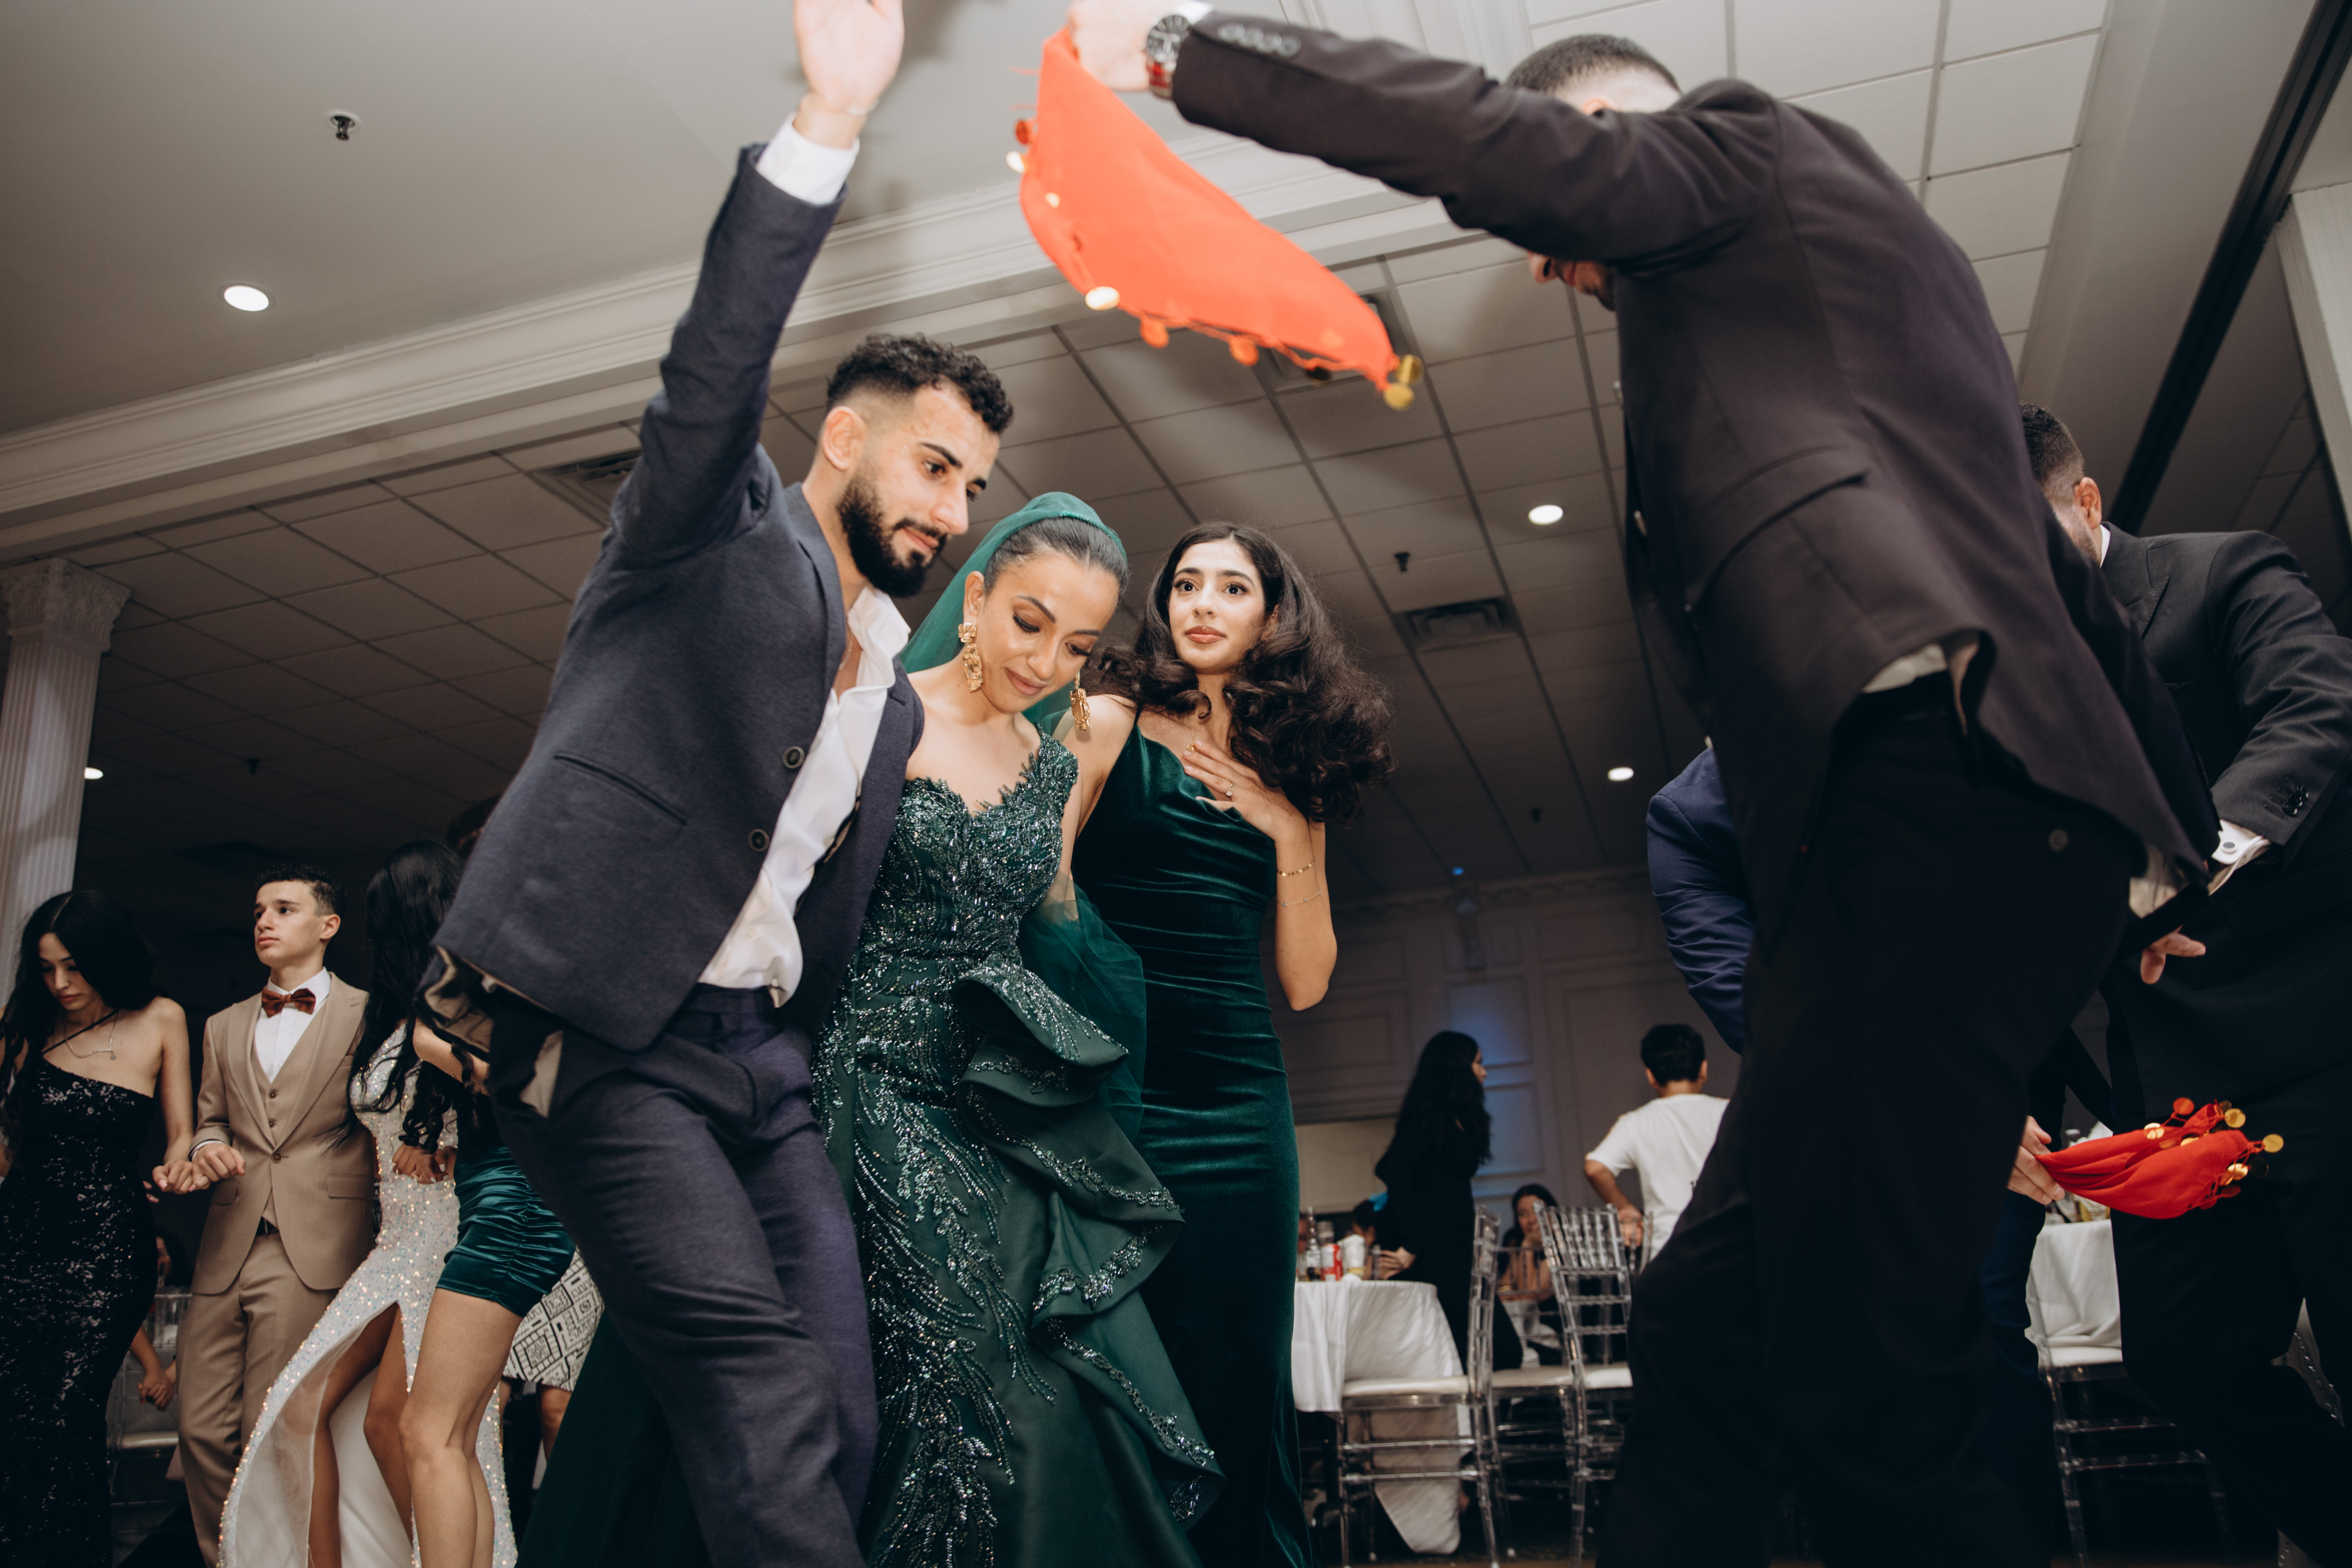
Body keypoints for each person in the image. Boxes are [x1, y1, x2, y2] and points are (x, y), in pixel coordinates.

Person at [1063, 14, 2228, 1556]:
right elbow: (2054, 587)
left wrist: (1188, 51)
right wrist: (2163, 854)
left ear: (1610, 129)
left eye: (1556, 233)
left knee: (1867, 1369)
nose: (1556, 268)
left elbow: (1503, 146)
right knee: (1707, 1324)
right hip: (1918, 842)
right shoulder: (1838, 305)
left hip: (1929, 803)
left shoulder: (1744, 147)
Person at [422, 2, 1007, 1561]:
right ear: (846, 438)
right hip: (607, 1039)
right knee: (756, 1395)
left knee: (841, 1414)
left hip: (762, 1064)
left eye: (973, 487)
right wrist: (828, 124)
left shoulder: (891, 689)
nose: (954, 511)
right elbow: (714, 359)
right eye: (935, 467)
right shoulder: (706, 531)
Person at [2025, 403, 2352, 1562]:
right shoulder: (2002, 686)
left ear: (2086, 503)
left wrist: (2186, 866)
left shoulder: (2223, 577)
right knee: (2184, 1358)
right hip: (2181, 1080)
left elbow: (2317, 710)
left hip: (2325, 1038)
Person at [1071, 520, 1391, 1566]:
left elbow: (1306, 979)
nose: (1203, 603)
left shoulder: (1294, 768)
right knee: (1127, 1360)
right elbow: (1038, 885)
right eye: (1186, 584)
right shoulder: (1110, 715)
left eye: (1232, 587)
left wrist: (1288, 828)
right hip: (1116, 1086)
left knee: (1243, 1368)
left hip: (1241, 1105)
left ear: (1273, 615)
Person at [217, 841, 522, 1568]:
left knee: (402, 1426)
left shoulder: (463, 1006)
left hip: (450, 1235)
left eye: (379, 916)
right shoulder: (394, 1014)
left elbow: (520, 1102)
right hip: (396, 1243)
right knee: (307, 1406)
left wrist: (450, 1147)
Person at [177, 868, 375, 1566]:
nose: (264, 920)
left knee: (269, 1426)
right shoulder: (223, 1024)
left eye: (284, 909)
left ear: (328, 926)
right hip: (228, 1239)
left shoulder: (368, 1015)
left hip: (312, 1242)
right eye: (259, 909)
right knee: (199, 1428)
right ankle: (227, 1556)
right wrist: (205, 1148)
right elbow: (210, 1119)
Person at [0, 891, 194, 1566]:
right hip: (21, 1242)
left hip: (107, 1252)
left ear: (106, 957)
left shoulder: (162, 1018)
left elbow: (181, 1133)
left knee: (66, 1416)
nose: (60, 983)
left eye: (74, 967)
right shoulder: (28, 1024)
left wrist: (179, 1167)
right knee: (15, 1418)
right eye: (47, 968)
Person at [1370, 1031, 1521, 1371]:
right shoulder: (1433, 1117)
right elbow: (1392, 1168)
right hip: (1437, 1248)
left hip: (1456, 1247)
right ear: (1458, 1067)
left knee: (1484, 1351)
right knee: (1496, 1351)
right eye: (1478, 1063)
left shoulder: (1455, 1118)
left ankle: (1472, 1407)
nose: (1484, 1072)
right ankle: (1471, 1407)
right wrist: (1411, 1244)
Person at [1582, 1024, 1727, 1258]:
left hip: (1667, 1252)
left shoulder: (1636, 1123)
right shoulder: (1727, 1112)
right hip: (1725, 1248)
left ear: (1651, 1076)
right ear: (1703, 1069)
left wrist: (1625, 1209)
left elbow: (1595, 1168)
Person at [1498, 1182, 1563, 1366]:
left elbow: (1529, 1296)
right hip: (1526, 1336)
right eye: (1523, 1214)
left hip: (1552, 1338)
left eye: (1536, 1211)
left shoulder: (1560, 1251)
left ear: (1551, 1213)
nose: (1531, 1220)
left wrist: (1528, 1246)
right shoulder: (1515, 1247)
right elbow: (1504, 1292)